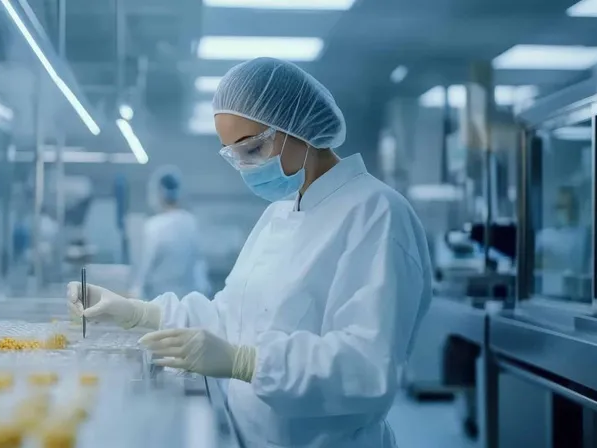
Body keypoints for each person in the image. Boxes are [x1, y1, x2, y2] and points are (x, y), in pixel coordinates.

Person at [68, 57, 432, 448]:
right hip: (247, 434)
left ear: (299, 129)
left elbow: (366, 367)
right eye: (234, 155)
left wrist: (246, 362)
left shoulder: (376, 214)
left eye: (253, 149)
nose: (244, 167)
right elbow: (231, 318)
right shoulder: (280, 213)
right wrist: (136, 312)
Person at [130, 167, 211, 299]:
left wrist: (136, 292)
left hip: (160, 299)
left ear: (158, 193)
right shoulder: (190, 222)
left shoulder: (154, 226)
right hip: (187, 299)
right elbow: (199, 264)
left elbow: (145, 268)